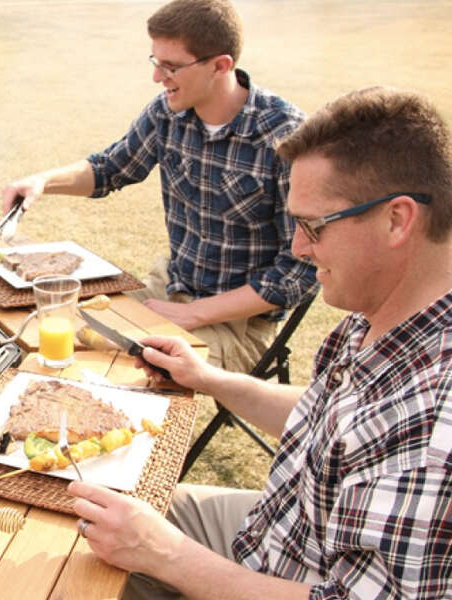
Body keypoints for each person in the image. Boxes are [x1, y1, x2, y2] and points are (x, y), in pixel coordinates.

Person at [69, 86, 452, 599]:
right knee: (96, 514)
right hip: (280, 530)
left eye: (312, 227)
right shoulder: (388, 310)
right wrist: (209, 379)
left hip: (293, 576)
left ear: (396, 219)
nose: (297, 248)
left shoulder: (435, 425)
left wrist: (166, 554)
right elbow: (330, 417)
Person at [1, 0, 317, 373]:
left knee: (117, 366)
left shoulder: (286, 137)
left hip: (240, 322)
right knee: (54, 327)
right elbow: (111, 168)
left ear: (221, 65)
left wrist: (195, 314)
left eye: (172, 67)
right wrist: (42, 182)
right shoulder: (168, 112)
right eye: (155, 62)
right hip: (168, 286)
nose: (157, 78)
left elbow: (299, 274)